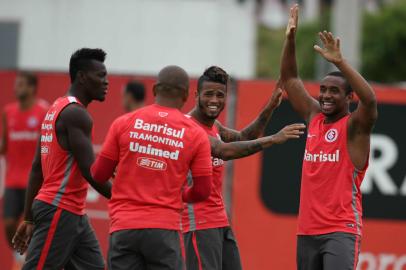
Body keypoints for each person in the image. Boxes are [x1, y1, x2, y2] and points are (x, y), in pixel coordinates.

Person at [280, 5, 378, 270]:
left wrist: (339, 62)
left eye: (333, 91)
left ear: (349, 98)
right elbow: (289, 78)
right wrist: (289, 39)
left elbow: (369, 100)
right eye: (322, 90)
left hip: (340, 231)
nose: (324, 95)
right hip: (307, 230)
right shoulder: (314, 117)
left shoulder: (355, 126)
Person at [91, 65, 214, 270]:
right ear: (186, 95)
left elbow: (98, 174)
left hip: (124, 227)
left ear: (155, 90)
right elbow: (203, 191)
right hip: (165, 230)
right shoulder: (196, 134)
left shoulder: (123, 123)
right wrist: (179, 195)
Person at [182, 66, 306, 270]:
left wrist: (270, 108)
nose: (214, 100)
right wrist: (273, 139)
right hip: (199, 223)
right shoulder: (188, 127)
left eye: (220, 95)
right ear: (196, 95)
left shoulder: (214, 126)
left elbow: (243, 137)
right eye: (209, 94)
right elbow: (224, 151)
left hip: (219, 221)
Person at [12, 48, 112, 270]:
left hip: (73, 212)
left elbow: (37, 167)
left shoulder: (55, 108)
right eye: (101, 75)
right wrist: (128, 197)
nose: (106, 82)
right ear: (82, 77)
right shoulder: (76, 114)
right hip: (59, 209)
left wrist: (28, 217)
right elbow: (91, 171)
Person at [0, 71, 48, 268]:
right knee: (9, 224)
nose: (16, 88)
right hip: (12, 181)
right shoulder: (8, 111)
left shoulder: (43, 112)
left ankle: (36, 260)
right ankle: (21, 256)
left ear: (31, 87)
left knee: (35, 228)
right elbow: (4, 146)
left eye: (21, 84)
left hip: (36, 182)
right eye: (15, 84)